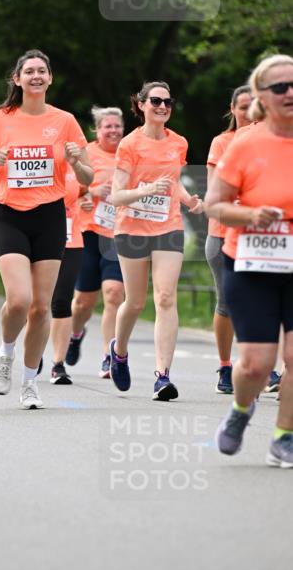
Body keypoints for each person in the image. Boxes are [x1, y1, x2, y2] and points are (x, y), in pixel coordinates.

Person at [0, 49, 93, 410]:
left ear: (50, 78)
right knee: (20, 300)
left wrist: (75, 162)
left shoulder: (66, 121)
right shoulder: (1, 118)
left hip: (50, 216)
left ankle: (29, 382)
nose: (36, 76)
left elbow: (88, 176)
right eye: (29, 71)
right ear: (18, 79)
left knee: (41, 308)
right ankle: (5, 353)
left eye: (42, 70)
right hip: (9, 214)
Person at [206, 54, 293, 467]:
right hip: (251, 262)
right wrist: (250, 215)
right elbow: (215, 206)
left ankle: (284, 436)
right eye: (280, 88)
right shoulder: (246, 143)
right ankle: (241, 409)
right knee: (257, 365)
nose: (290, 93)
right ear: (261, 96)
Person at [109, 81, 203, 400]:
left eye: (167, 101)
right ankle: (119, 351)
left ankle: (162, 376)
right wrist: (146, 190)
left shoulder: (179, 143)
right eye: (156, 101)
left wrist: (189, 200)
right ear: (141, 105)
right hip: (132, 229)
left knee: (165, 297)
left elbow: (172, 185)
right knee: (134, 302)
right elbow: (116, 195)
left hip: (168, 227)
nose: (163, 106)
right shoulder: (129, 145)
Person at [67, 106, 125, 377]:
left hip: (119, 235)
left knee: (114, 294)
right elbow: (69, 189)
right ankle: (75, 333)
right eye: (107, 126)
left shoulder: (131, 153)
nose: (113, 130)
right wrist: (91, 190)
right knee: (83, 302)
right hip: (89, 232)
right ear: (97, 130)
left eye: (117, 126)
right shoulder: (87, 154)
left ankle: (108, 356)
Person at [205, 85, 252, 393]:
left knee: (265, 304)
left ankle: (261, 367)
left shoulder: (273, 142)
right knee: (228, 304)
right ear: (232, 109)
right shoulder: (223, 142)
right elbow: (214, 194)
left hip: (264, 239)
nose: (248, 112)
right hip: (222, 237)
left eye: (253, 106)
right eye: (242, 106)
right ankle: (225, 366)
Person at [49, 167, 84, 384]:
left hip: (71, 239)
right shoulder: (34, 156)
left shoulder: (75, 165)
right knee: (35, 302)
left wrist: (86, 199)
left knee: (62, 300)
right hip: (39, 238)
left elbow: (85, 188)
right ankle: (31, 351)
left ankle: (58, 364)